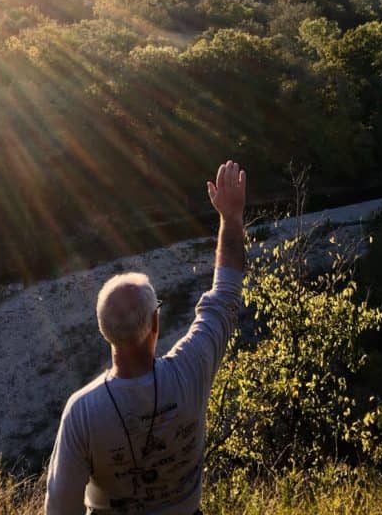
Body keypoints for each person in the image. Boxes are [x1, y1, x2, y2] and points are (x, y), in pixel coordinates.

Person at [45, 160, 247, 515]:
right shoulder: (191, 371)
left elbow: (61, 509)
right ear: (155, 321)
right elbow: (226, 292)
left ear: (103, 329)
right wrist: (230, 218)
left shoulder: (82, 412)